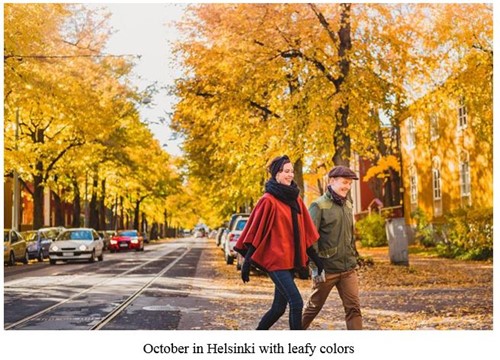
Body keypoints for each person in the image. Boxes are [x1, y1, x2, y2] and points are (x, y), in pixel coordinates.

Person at [234, 155, 323, 330]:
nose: (290, 175)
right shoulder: (268, 200)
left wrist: (316, 259)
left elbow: (305, 230)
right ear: (276, 174)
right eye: (286, 171)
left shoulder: (295, 199)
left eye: (291, 171)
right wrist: (246, 262)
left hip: (289, 261)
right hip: (275, 262)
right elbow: (256, 231)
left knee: (278, 308)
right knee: (296, 303)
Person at [302, 165, 363, 330]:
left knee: (353, 308)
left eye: (350, 183)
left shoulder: (348, 205)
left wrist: (353, 259)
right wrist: (315, 268)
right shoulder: (318, 205)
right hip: (326, 270)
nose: (347, 187)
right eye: (344, 182)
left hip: (348, 269)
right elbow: (309, 239)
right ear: (332, 181)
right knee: (314, 307)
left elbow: (349, 236)